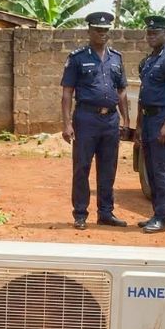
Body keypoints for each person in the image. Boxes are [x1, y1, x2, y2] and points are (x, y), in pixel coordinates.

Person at [60, 12, 131, 230]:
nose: (102, 34)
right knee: (82, 167)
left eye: (106, 30)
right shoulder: (77, 57)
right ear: (89, 31)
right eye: (98, 30)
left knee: (108, 167)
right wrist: (67, 124)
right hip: (86, 119)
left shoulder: (116, 58)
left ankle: (106, 213)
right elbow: (67, 93)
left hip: (110, 120)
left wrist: (126, 120)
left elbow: (122, 92)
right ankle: (80, 213)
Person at [135, 15, 165, 234]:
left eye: (155, 33)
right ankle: (156, 214)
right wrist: (138, 125)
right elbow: (142, 95)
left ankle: (164, 218)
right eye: (149, 33)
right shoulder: (148, 61)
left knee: (162, 169)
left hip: (162, 118)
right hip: (148, 119)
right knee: (151, 170)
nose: (151, 36)